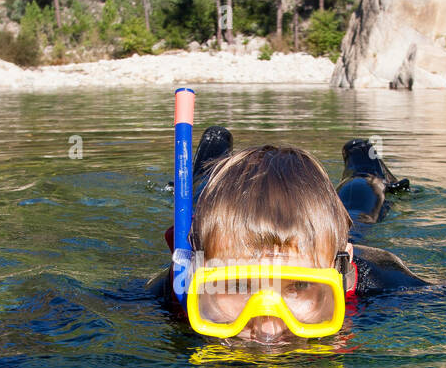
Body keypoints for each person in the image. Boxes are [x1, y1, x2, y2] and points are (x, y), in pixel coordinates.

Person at [150, 127, 426, 344]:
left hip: (325, 236)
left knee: (360, 200)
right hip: (216, 231)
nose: (268, 333)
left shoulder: (385, 282)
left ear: (341, 272)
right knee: (203, 194)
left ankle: (364, 160)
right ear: (195, 268)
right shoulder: (176, 288)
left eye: (300, 286)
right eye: (237, 285)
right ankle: (208, 161)